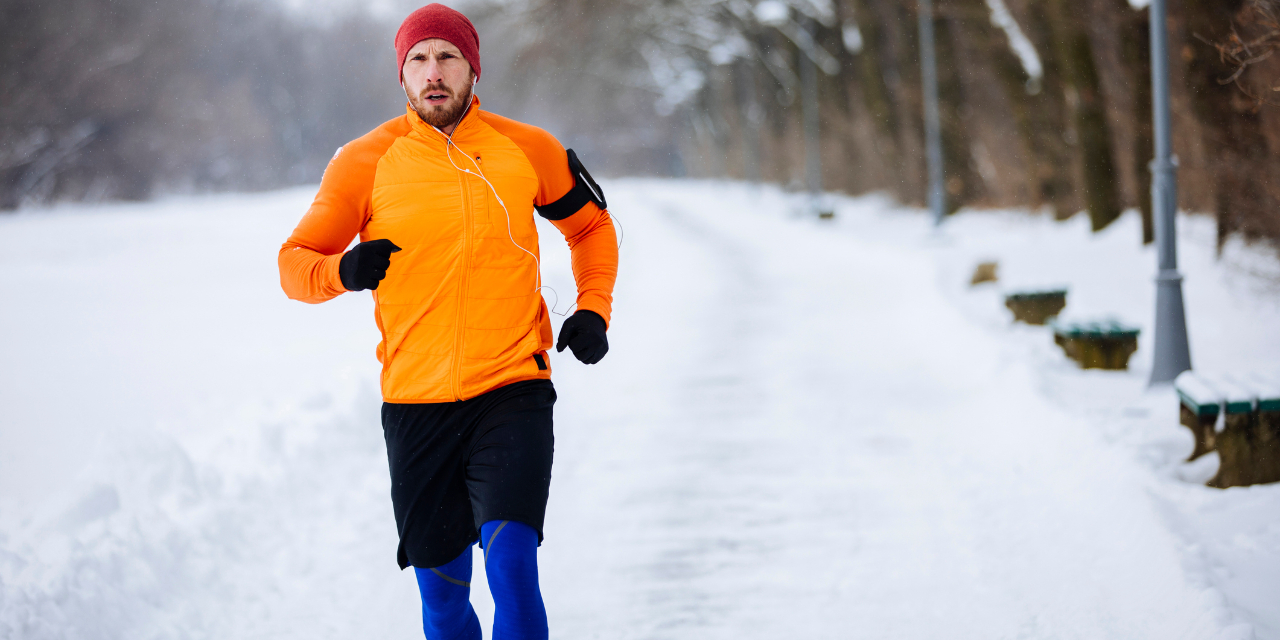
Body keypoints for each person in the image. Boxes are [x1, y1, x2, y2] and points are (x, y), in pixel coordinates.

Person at [277, 4, 618, 638]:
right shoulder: (364, 162)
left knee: (513, 567)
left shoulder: (527, 148)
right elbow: (293, 265)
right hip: (416, 402)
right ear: (402, 75)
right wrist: (343, 273)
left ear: (472, 68)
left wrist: (593, 308)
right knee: (443, 600)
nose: (433, 73)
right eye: (418, 60)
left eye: (447, 57)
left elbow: (592, 226)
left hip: (512, 386)